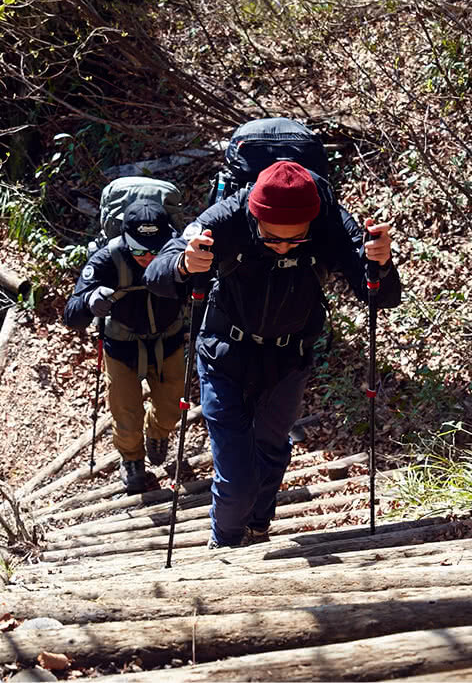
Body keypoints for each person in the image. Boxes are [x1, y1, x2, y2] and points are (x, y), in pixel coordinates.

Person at [146, 160, 401, 548]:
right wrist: (183, 264)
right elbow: (159, 270)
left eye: (294, 240)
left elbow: (380, 296)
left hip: (288, 359)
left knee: (271, 448)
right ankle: (224, 548)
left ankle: (259, 525)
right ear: (254, 215)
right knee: (235, 473)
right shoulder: (227, 216)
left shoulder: (330, 222)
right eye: (271, 238)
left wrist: (380, 263)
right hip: (224, 353)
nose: (282, 246)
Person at [63, 197, 188, 492]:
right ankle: (132, 459)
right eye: (139, 249)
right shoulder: (108, 258)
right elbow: (72, 314)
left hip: (168, 340)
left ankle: (158, 433)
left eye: (155, 250)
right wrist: (91, 302)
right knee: (126, 414)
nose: (147, 257)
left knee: (172, 408)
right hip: (121, 346)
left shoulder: (179, 252)